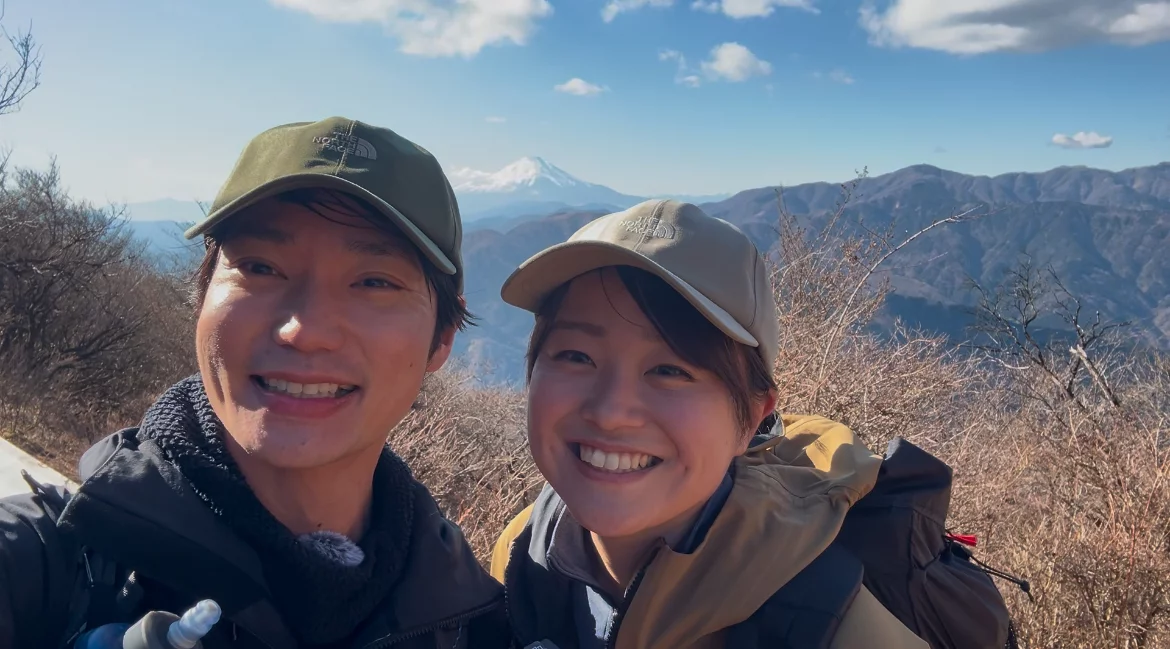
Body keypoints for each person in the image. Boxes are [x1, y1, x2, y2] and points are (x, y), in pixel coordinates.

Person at [0, 117, 510, 649]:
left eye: (374, 282)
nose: (304, 331)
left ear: (443, 337)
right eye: (261, 266)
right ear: (201, 299)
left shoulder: (475, 624)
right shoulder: (43, 564)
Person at [489, 199, 929, 648]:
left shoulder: (835, 630)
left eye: (671, 370)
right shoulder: (523, 553)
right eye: (576, 356)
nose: (610, 412)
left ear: (751, 418)